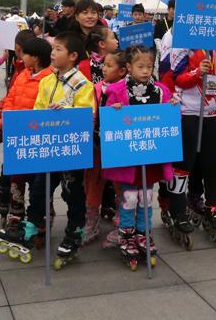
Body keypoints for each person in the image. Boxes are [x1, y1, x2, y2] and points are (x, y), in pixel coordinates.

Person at [160, 11, 216, 249]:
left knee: (214, 163)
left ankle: (214, 208)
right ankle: (178, 210)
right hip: (188, 112)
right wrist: (197, 72)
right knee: (183, 165)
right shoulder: (179, 40)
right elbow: (176, 78)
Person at [102, 46, 175, 268]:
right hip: (129, 158)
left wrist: (173, 109)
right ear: (128, 68)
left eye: (149, 66)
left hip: (151, 156)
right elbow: (109, 120)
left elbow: (169, 122)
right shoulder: (118, 91)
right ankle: (126, 235)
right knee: (129, 198)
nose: (145, 71)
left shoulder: (161, 91)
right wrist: (114, 109)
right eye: (140, 66)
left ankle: (144, 233)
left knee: (146, 197)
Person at [32, 31, 94, 268]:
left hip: (70, 152)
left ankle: (74, 233)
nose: (52, 53)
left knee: (73, 194)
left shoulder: (83, 84)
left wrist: (64, 112)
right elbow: (37, 110)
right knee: (39, 188)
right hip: (48, 148)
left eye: (58, 49)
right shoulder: (47, 80)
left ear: (73, 56)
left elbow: (88, 115)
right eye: (53, 48)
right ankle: (32, 224)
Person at [0, 37, 53, 250]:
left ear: (34, 58)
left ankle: (41, 219)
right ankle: (15, 216)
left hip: (35, 140)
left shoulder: (50, 79)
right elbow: (10, 98)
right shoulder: (22, 74)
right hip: (15, 136)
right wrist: (5, 117)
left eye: (24, 54)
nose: (21, 57)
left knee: (38, 182)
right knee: (15, 179)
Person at [84, 51, 126, 247]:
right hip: (97, 145)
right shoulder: (96, 87)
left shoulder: (128, 89)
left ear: (123, 71)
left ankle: (122, 224)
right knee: (93, 182)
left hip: (118, 147)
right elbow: (91, 111)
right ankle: (91, 222)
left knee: (121, 186)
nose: (104, 68)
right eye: (104, 64)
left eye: (109, 65)